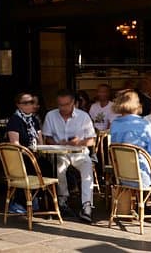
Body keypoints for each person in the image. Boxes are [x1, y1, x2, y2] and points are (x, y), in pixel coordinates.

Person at [41, 90, 96, 223]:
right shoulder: (51, 115)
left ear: (73, 103)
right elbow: (47, 137)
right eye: (60, 105)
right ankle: (62, 200)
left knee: (87, 167)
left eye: (66, 105)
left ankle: (87, 205)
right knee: (59, 167)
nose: (62, 108)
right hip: (60, 152)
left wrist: (79, 142)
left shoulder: (83, 116)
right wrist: (57, 143)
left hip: (79, 152)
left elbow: (92, 140)